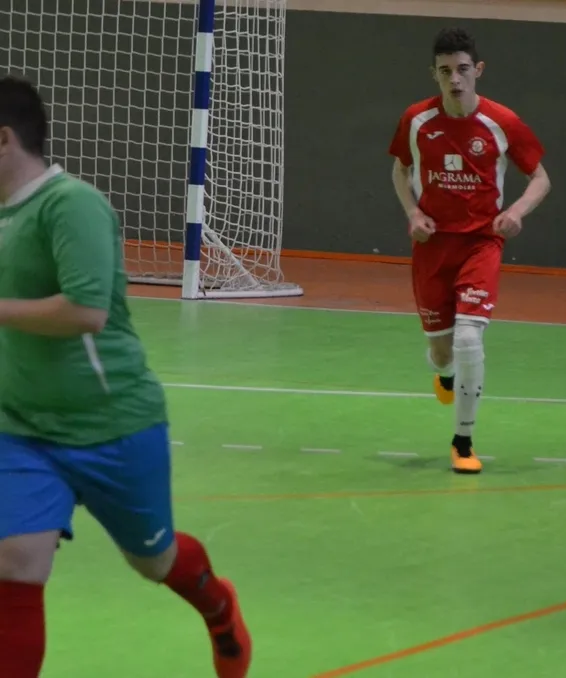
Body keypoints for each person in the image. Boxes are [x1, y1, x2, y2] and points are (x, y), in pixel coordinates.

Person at [0, 76, 251, 678]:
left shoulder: (70, 204)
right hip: (22, 428)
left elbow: (86, 312)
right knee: (15, 563)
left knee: (153, 561)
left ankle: (218, 605)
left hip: (113, 424)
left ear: (4, 139)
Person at [388, 27, 551, 474]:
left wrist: (516, 211)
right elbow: (400, 171)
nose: (454, 79)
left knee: (468, 338)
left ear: (477, 70)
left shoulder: (502, 122)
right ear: (434, 74)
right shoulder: (417, 120)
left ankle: (463, 441)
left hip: (482, 242)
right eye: (445, 72)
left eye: (462, 69)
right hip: (432, 246)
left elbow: (541, 178)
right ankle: (443, 374)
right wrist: (413, 213)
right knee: (443, 353)